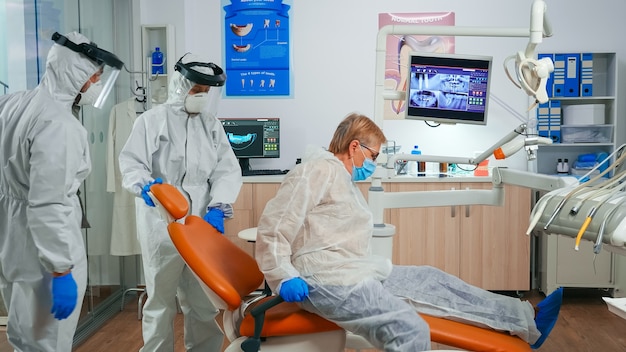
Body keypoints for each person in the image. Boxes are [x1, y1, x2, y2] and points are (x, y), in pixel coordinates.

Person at [255, 112, 563, 351]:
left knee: (430, 278)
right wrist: (283, 275)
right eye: (373, 156)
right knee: (410, 329)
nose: (373, 163)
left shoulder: (338, 177)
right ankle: (525, 321)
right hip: (323, 282)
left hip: (350, 272)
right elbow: (275, 225)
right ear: (354, 147)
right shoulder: (316, 170)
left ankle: (526, 320)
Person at [0, 31, 123, 351]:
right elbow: (48, 203)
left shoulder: (16, 102)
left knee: (22, 334)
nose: (96, 83)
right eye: (95, 75)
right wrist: (61, 268)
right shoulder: (59, 126)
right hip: (43, 248)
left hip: (12, 236)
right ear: (77, 72)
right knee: (48, 341)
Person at [119, 53, 243, 351]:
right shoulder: (152, 120)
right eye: (197, 91)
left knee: (203, 301)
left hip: (200, 223)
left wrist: (218, 205)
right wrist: (146, 187)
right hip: (160, 222)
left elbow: (227, 169)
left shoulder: (211, 125)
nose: (201, 97)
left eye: (206, 93)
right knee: (161, 300)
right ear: (181, 85)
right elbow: (132, 163)